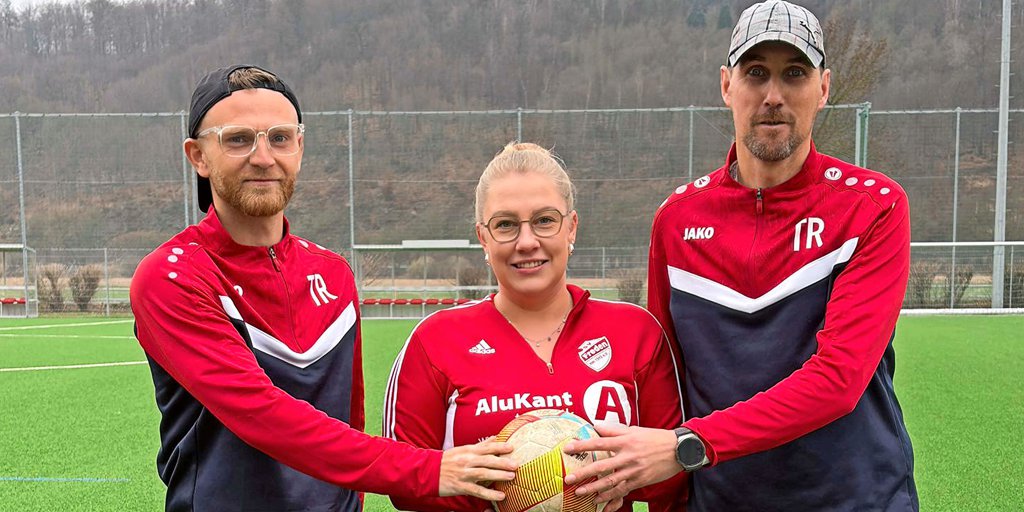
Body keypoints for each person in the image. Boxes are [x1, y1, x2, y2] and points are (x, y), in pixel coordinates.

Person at [563, 2, 919, 511]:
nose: (773, 95)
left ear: (823, 88)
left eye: (794, 73)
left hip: (855, 499)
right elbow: (668, 382)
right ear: (727, 85)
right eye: (755, 73)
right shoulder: (677, 220)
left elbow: (838, 380)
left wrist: (691, 446)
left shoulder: (872, 207)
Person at [130, 64, 517, 512]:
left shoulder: (333, 274)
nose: (263, 157)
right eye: (238, 139)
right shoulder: (173, 276)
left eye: (280, 138)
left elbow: (349, 421)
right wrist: (429, 469)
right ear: (198, 156)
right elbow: (263, 416)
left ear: (299, 147)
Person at [382, 142, 687, 512]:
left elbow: (674, 475)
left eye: (544, 220)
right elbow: (401, 483)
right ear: (483, 237)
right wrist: (507, 488)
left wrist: (614, 479)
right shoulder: (435, 340)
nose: (526, 242)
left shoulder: (636, 332)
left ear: (571, 227)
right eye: (505, 225)